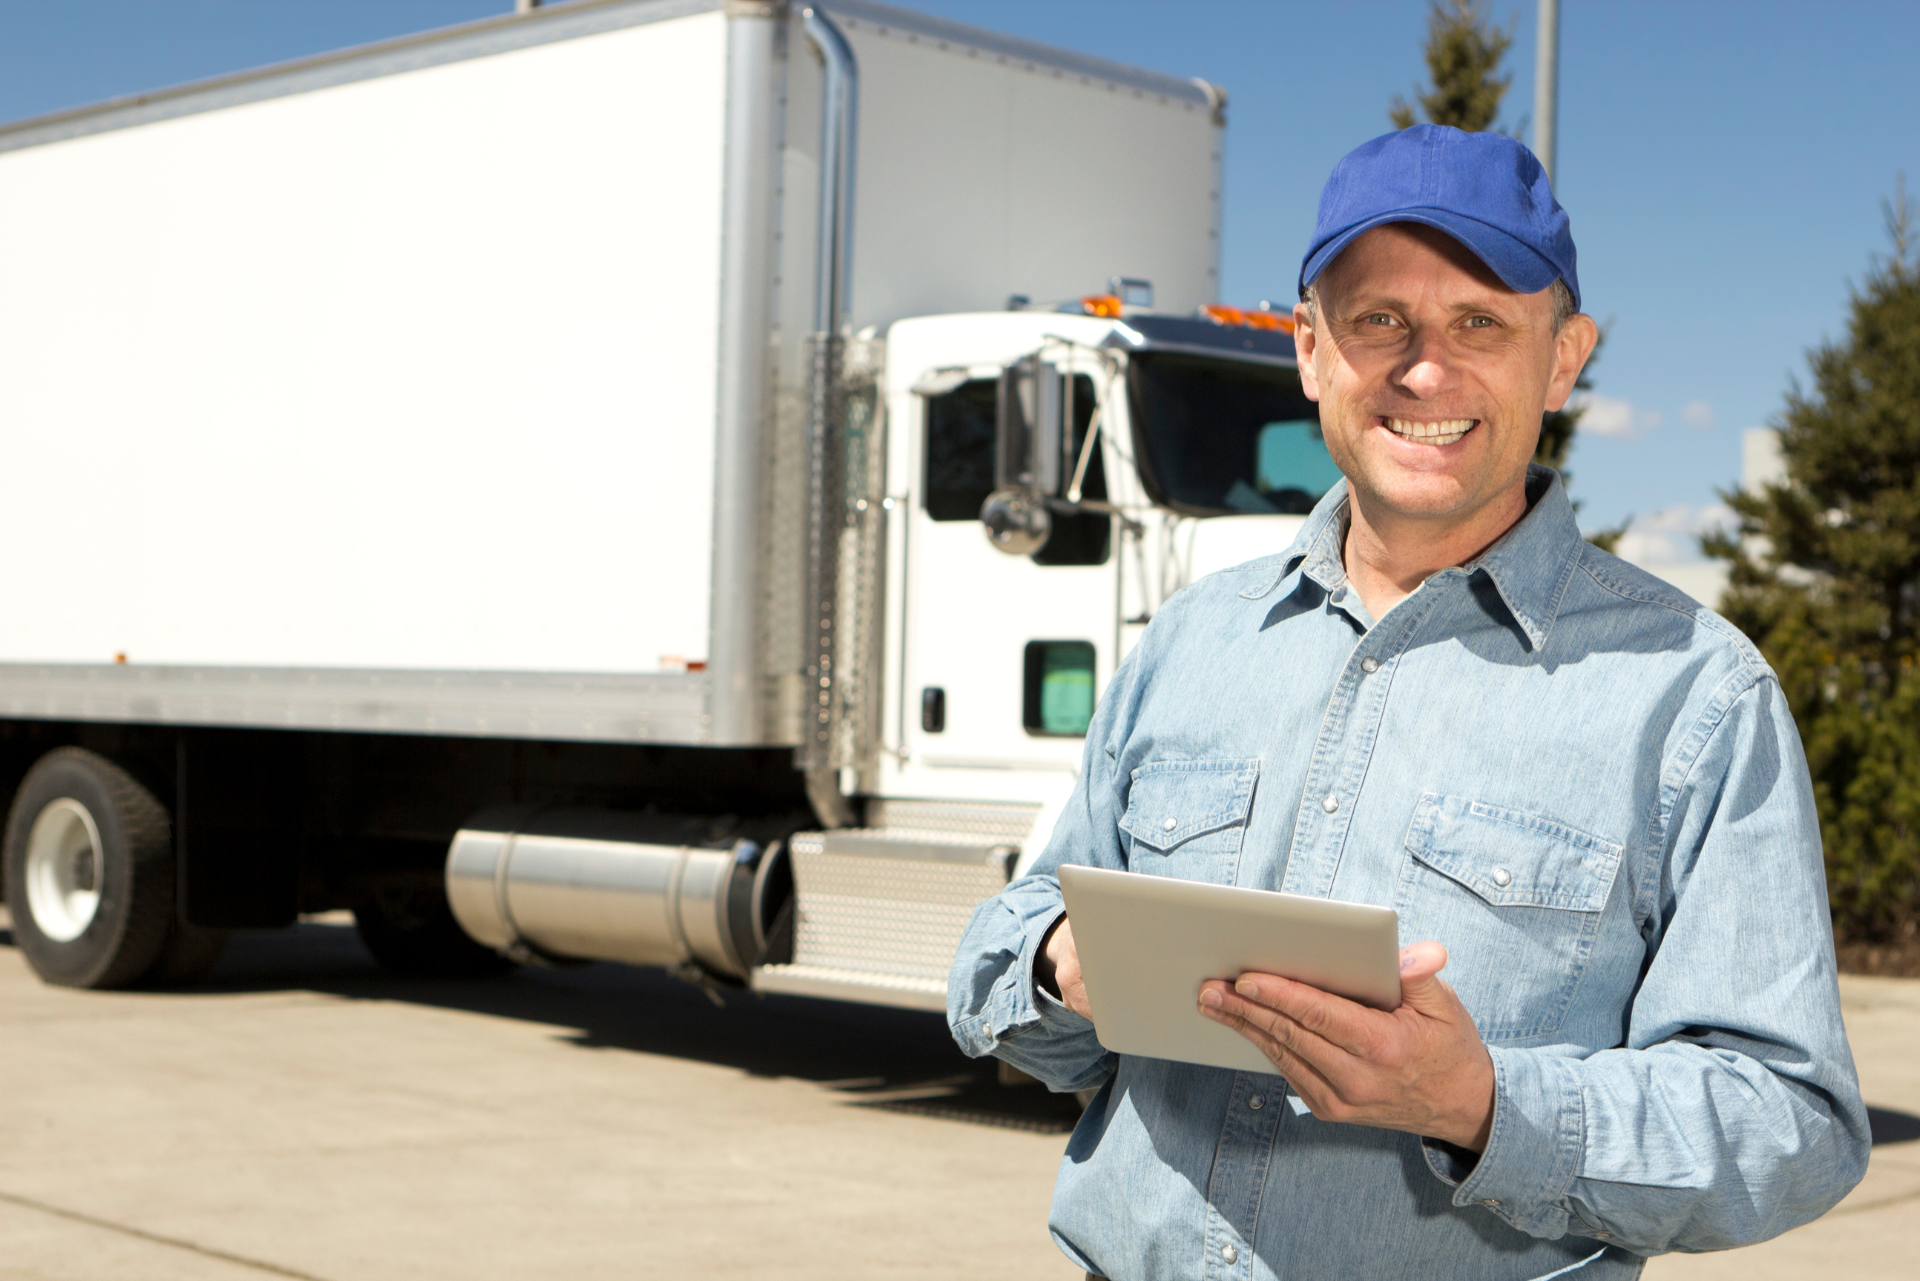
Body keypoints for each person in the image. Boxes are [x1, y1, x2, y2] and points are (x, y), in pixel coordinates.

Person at [947, 124, 1869, 1281]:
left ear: (1566, 358)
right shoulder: (1192, 642)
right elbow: (1002, 962)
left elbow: (1793, 1124)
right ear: (1309, 350)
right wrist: (1057, 962)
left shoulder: (1694, 695)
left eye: (1481, 322)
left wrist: (1485, 1104)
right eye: (1378, 318)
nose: (1423, 368)